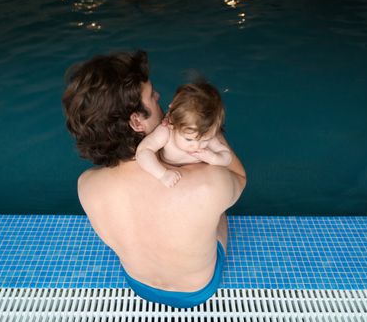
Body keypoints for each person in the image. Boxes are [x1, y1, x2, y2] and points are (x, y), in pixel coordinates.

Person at [62, 50, 246, 309]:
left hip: (137, 283)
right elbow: (240, 176)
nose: (160, 96)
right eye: (151, 96)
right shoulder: (209, 182)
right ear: (137, 121)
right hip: (197, 290)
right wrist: (205, 132)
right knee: (216, 206)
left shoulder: (87, 185)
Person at [136, 83, 232, 187]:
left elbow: (227, 156)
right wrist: (162, 174)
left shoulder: (205, 135)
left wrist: (213, 158)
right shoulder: (166, 133)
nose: (197, 146)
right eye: (189, 139)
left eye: (205, 140)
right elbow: (143, 152)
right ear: (173, 124)